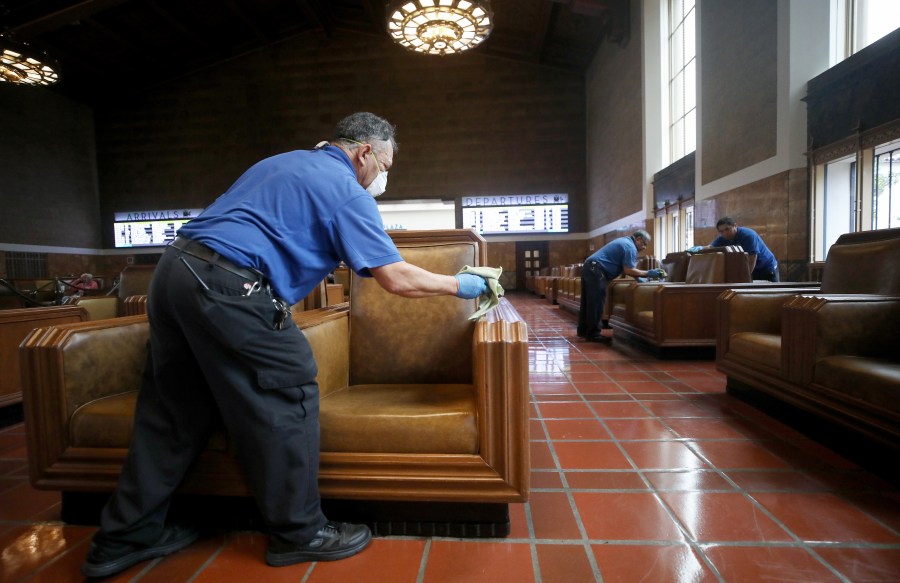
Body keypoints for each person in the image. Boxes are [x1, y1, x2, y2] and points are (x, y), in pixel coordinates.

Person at [81, 112, 490, 578]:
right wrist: (459, 286)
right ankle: (299, 533)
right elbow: (394, 277)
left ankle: (123, 536)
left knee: (172, 410)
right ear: (364, 153)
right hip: (229, 285)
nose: (384, 177)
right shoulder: (347, 192)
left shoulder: (280, 162)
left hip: (172, 273)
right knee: (289, 390)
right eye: (386, 165)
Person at [576, 229, 664, 342]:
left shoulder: (625, 242)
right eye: (644, 244)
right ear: (637, 239)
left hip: (590, 267)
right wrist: (648, 273)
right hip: (596, 270)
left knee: (588, 301)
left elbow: (625, 268)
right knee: (596, 301)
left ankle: (584, 331)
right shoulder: (630, 247)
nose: (645, 247)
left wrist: (639, 278)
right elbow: (628, 270)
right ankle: (593, 334)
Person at [688, 217, 779, 281]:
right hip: (751, 270)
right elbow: (711, 247)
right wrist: (698, 248)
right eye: (721, 231)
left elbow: (752, 257)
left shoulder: (748, 235)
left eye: (727, 229)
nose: (725, 233)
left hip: (766, 268)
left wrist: (746, 277)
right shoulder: (723, 238)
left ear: (735, 226)